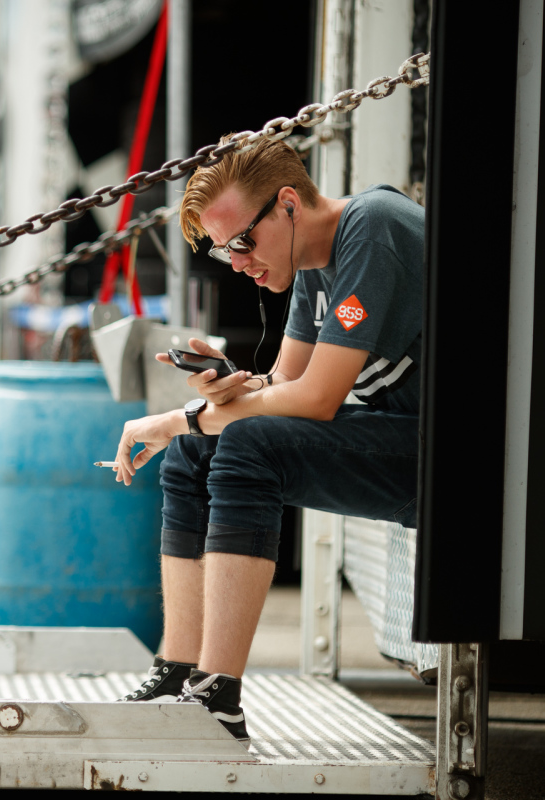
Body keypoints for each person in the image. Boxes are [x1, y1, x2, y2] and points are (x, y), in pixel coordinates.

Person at [110, 136, 425, 744]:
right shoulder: (310, 262)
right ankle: (178, 671)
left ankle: (217, 697)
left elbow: (314, 401)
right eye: (222, 251)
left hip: (466, 458)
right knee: (197, 449)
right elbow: (284, 384)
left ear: (288, 205)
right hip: (407, 442)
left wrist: (176, 416)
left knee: (246, 445)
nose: (236, 262)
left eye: (241, 242)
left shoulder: (373, 228)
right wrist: (222, 389)